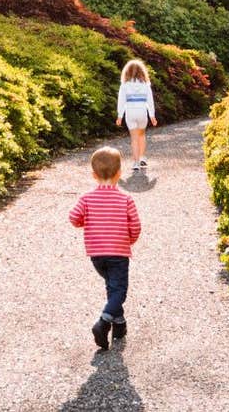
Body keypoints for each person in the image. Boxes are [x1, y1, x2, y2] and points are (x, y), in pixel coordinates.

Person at [69, 146, 142, 350]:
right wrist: (128, 242)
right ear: (119, 173)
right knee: (119, 290)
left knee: (112, 286)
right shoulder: (126, 199)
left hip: (96, 254)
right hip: (118, 253)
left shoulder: (86, 198)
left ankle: (119, 324)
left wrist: (88, 222)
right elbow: (135, 226)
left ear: (93, 175)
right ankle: (103, 322)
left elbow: (74, 218)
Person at [115, 59, 157, 172]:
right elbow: (150, 101)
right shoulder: (146, 85)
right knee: (141, 135)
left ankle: (136, 162)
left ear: (127, 72)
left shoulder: (124, 85)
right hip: (142, 112)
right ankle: (142, 157)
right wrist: (152, 115)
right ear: (142, 72)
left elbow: (121, 101)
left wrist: (120, 115)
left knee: (134, 138)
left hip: (130, 112)